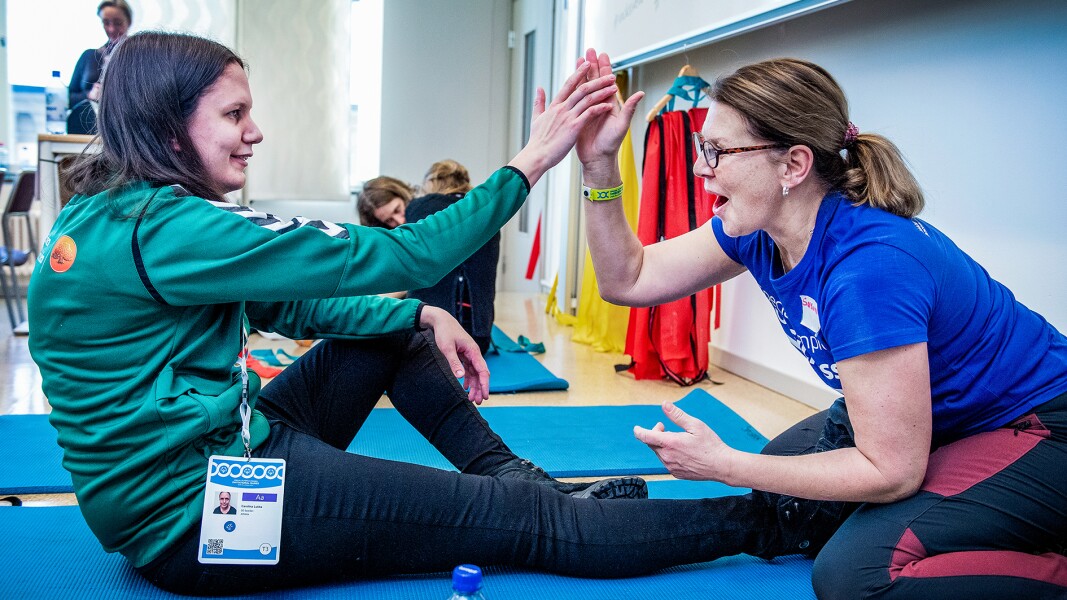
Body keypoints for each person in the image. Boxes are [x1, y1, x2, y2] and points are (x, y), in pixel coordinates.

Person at [31, 33, 752, 596]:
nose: (254, 132)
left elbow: (288, 303)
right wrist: (534, 159)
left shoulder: (117, 214)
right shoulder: (163, 229)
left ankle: (519, 478)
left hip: (222, 454)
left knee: (394, 331)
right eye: (234, 114)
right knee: (531, 529)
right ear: (167, 127)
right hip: (196, 519)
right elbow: (408, 252)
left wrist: (414, 316)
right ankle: (772, 518)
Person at [575, 49, 1067, 598]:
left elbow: (891, 470)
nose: (699, 168)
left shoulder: (868, 268)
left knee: (857, 577)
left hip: (1038, 429)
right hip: (935, 418)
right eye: (700, 147)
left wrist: (726, 465)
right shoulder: (756, 231)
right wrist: (599, 168)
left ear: (793, 165)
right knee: (784, 497)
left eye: (716, 151)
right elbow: (629, 280)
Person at [406, 159, 499, 354]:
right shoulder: (486, 210)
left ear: (432, 182)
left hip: (428, 336)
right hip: (478, 337)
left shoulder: (419, 207)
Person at [67, 0, 132, 134]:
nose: (111, 29)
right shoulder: (89, 56)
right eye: (106, 22)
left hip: (124, 133)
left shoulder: (140, 59)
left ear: (129, 22)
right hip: (85, 131)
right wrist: (89, 95)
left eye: (118, 23)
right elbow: (67, 98)